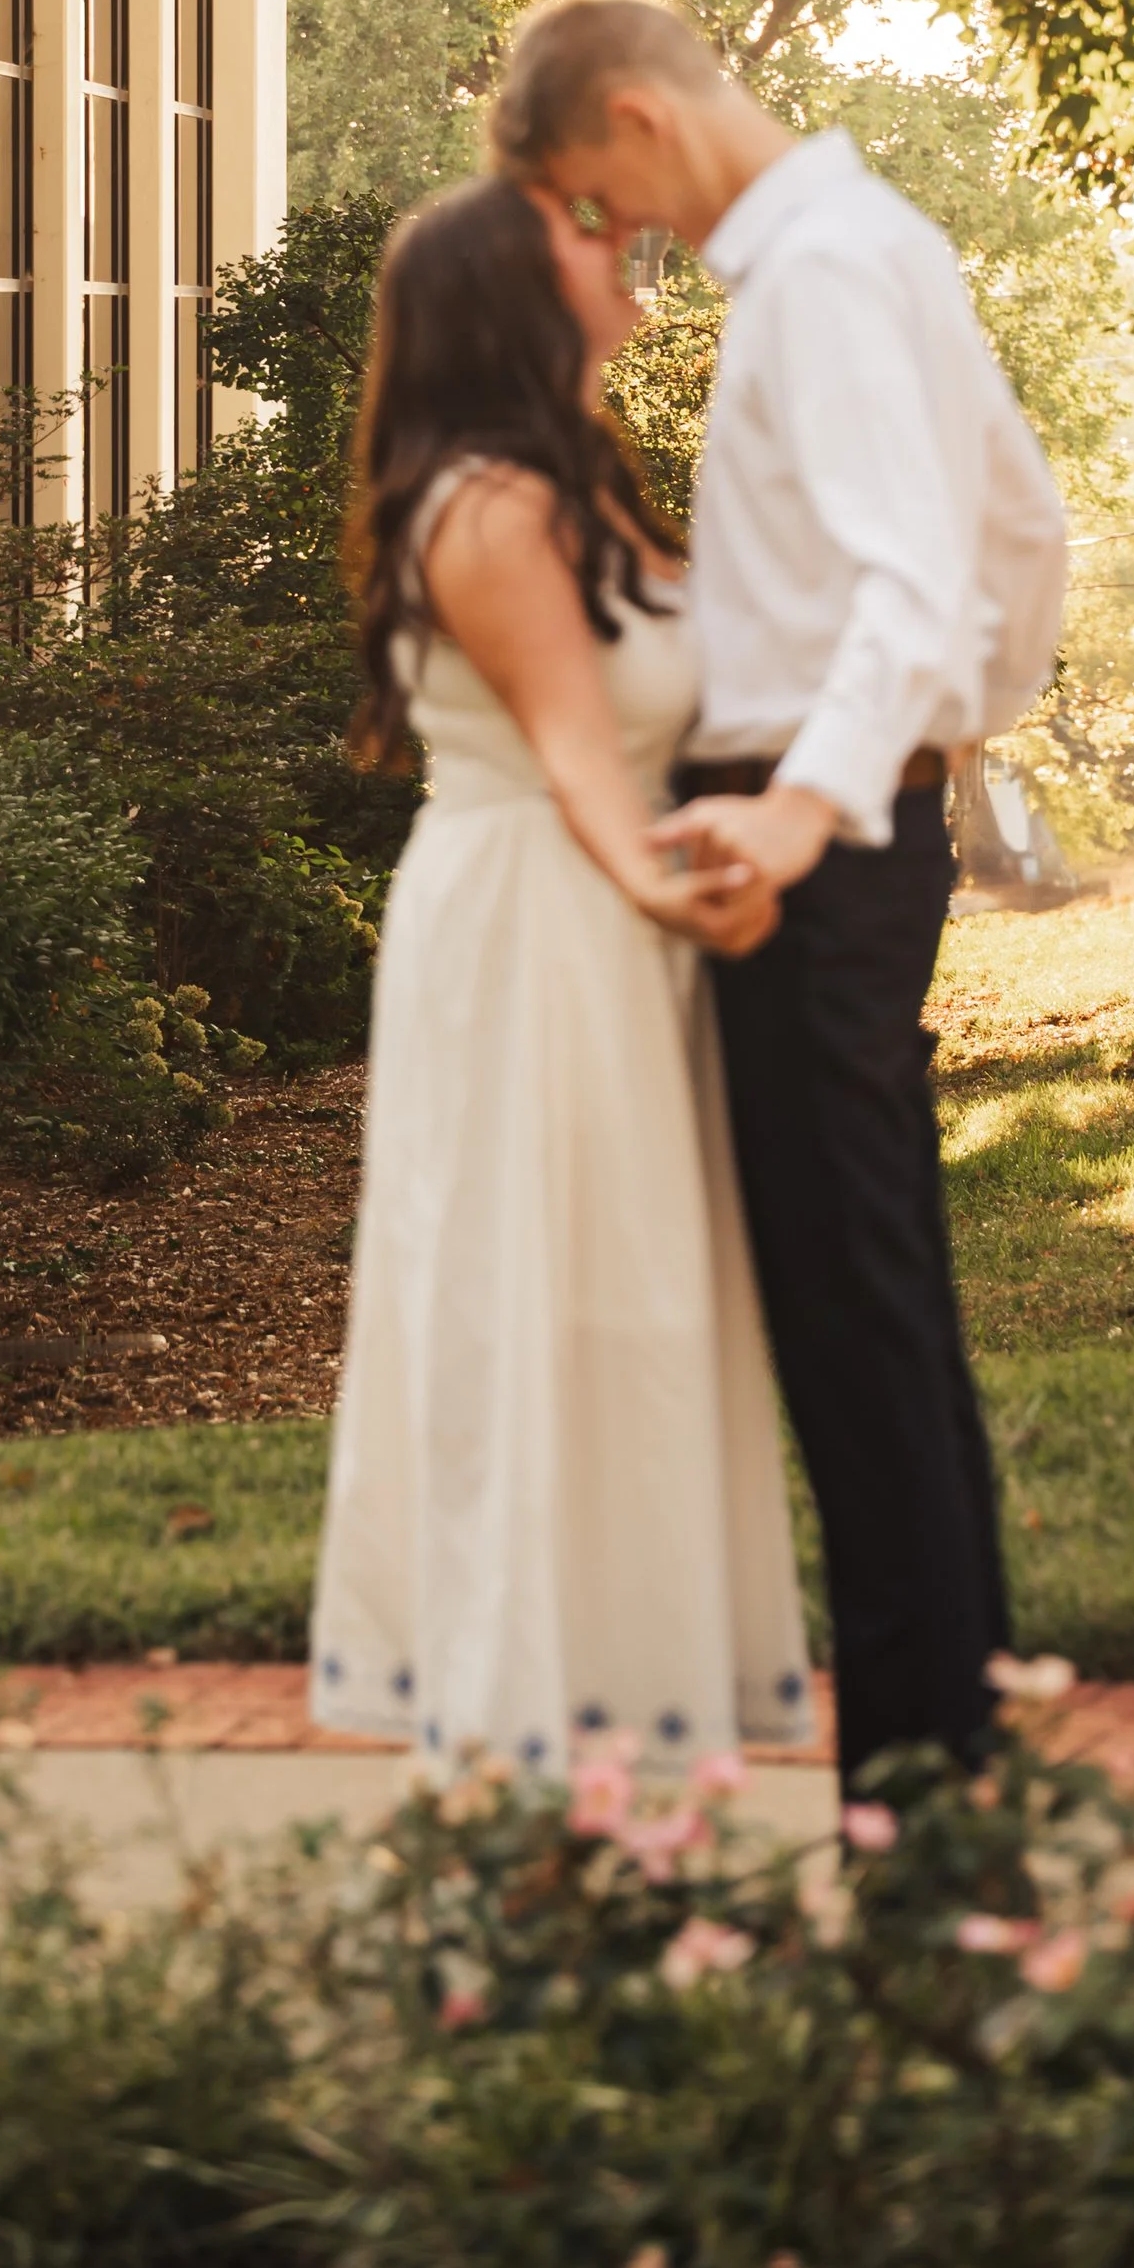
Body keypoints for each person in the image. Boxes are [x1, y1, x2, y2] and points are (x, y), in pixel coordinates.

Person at [489, 0, 1069, 1784]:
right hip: (848, 819)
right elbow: (1022, 532)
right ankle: (952, 1752)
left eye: (593, 194)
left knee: (849, 1316)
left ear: (637, 124)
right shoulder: (857, 247)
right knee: (877, 1300)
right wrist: (928, 750)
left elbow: (918, 590)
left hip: (806, 855)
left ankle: (920, 1800)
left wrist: (811, 811)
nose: (608, 233)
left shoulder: (817, 276)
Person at [308, 172, 812, 1775]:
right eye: (583, 237)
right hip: (542, 933)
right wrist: (706, 899)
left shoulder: (564, 480)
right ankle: (532, 1763)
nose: (620, 244)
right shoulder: (495, 509)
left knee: (626, 1311)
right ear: (514, 298)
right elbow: (586, 767)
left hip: (593, 926)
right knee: (539, 1309)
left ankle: (614, 1744)